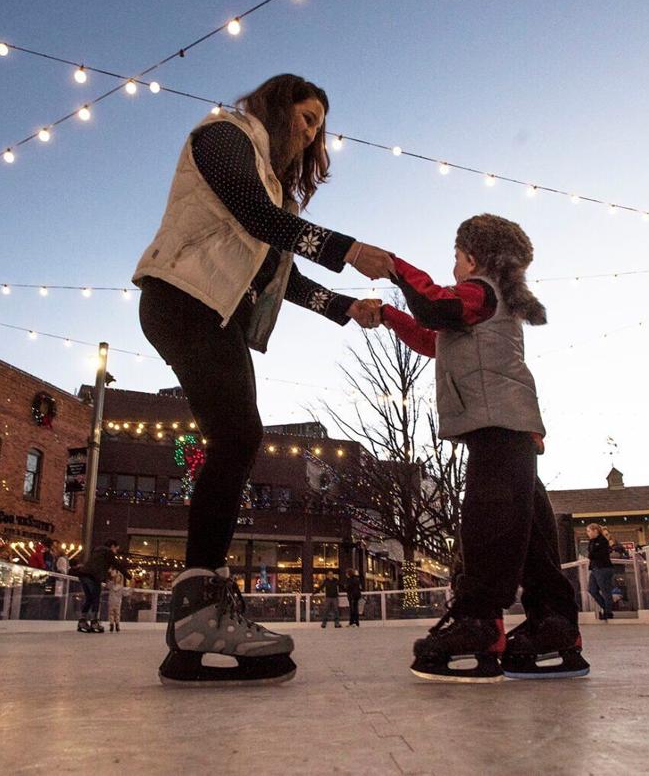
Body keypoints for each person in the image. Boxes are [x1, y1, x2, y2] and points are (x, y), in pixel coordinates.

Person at [132, 73, 392, 686]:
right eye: (306, 118)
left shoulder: (276, 192)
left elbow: (281, 279)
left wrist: (344, 306)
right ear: (277, 108)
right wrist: (349, 248)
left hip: (213, 311)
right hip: (181, 297)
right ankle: (199, 615)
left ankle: (195, 628)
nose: (312, 134)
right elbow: (251, 212)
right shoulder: (225, 134)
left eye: (319, 127)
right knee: (240, 437)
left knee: (238, 439)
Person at [381, 214, 588, 682]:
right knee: (529, 526)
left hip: (498, 424)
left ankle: (477, 621)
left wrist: (394, 266)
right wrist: (390, 316)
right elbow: (434, 339)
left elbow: (434, 307)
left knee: (488, 517)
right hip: (506, 425)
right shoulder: (488, 304)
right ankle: (552, 622)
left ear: (474, 258)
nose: (453, 268)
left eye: (456, 258)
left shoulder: (480, 291)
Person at [72, 539, 130, 633]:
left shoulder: (96, 550)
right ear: (112, 546)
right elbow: (117, 565)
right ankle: (94, 622)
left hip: (83, 575)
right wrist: (128, 576)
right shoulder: (108, 552)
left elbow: (98, 565)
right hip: (93, 577)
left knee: (89, 599)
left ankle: (82, 621)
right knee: (95, 599)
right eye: (116, 549)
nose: (115, 552)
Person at [585, 523, 616, 621]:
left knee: (605, 590)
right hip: (594, 568)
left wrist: (591, 554)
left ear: (595, 531)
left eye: (589, 531)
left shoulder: (602, 541)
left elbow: (596, 554)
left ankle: (608, 611)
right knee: (592, 589)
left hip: (603, 568)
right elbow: (591, 553)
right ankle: (606, 608)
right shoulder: (591, 542)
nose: (588, 533)